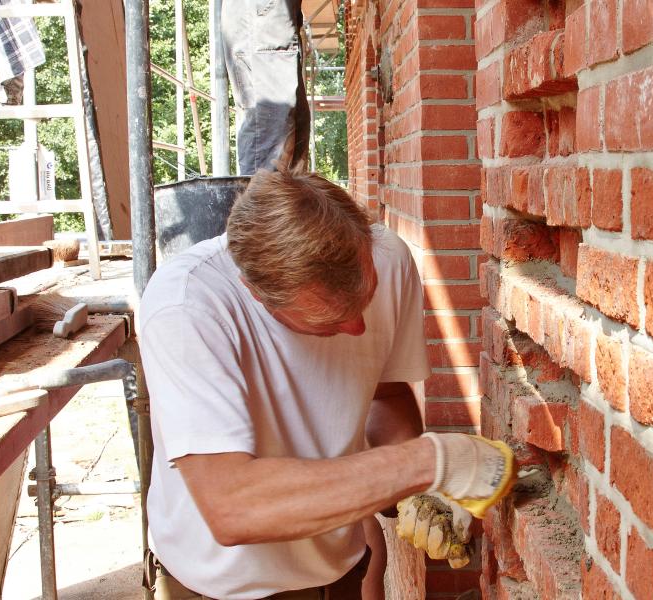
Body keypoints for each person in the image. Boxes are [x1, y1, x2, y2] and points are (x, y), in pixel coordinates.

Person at [138, 167, 515, 599]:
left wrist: (413, 495)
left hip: (339, 570)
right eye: (329, 320)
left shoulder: (389, 258)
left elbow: (383, 393)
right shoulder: (186, 307)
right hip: (221, 587)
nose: (357, 328)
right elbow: (233, 507)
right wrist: (432, 463)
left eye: (365, 300)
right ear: (257, 293)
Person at [220, 0, 309, 175]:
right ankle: (262, 200)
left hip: (273, 16)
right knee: (271, 136)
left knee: (295, 131)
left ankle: (277, 199)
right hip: (262, 17)